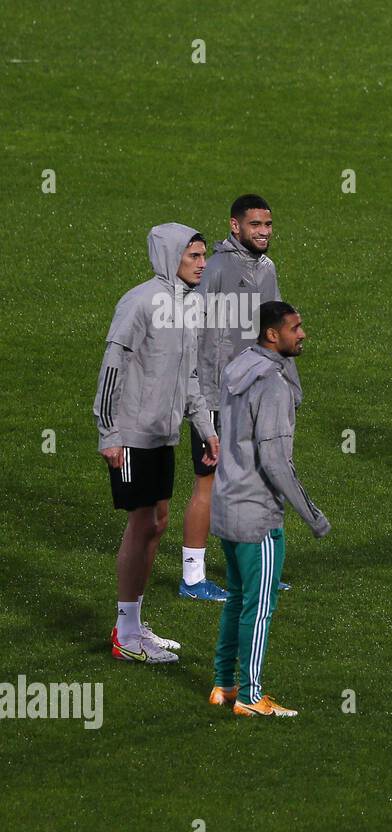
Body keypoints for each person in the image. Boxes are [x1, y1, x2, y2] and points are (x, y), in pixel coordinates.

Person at [93, 223, 219, 663]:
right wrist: (109, 432)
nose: (203, 264)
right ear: (170, 256)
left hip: (162, 435)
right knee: (143, 523)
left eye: (204, 257)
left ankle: (132, 625)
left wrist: (205, 427)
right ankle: (126, 635)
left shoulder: (190, 305)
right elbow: (113, 364)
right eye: (194, 257)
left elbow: (188, 376)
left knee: (157, 522)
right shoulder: (141, 301)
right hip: (131, 436)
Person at [208, 302, 330, 717]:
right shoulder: (272, 386)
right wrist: (312, 516)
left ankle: (224, 683)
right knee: (259, 609)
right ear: (272, 335)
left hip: (226, 501)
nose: (303, 334)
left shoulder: (239, 367)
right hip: (256, 511)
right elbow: (276, 462)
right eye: (295, 328)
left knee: (237, 597)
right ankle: (250, 696)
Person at [182, 193, 284, 600]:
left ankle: (251, 571)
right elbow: (196, 331)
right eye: (255, 225)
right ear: (235, 225)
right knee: (208, 484)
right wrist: (201, 400)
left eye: (268, 225)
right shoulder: (218, 267)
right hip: (216, 397)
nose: (263, 232)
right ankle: (191, 576)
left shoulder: (267, 269)